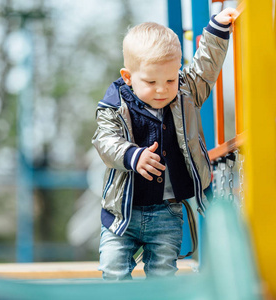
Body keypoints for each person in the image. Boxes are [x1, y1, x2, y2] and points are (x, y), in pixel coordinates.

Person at [91, 7, 239, 280]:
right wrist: (132, 155)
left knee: (162, 272)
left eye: (170, 79)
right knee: (113, 269)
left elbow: (206, 69)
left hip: (166, 212)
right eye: (151, 81)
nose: (162, 89)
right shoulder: (114, 105)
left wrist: (217, 30)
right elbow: (105, 141)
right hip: (122, 212)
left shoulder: (185, 93)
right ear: (128, 77)